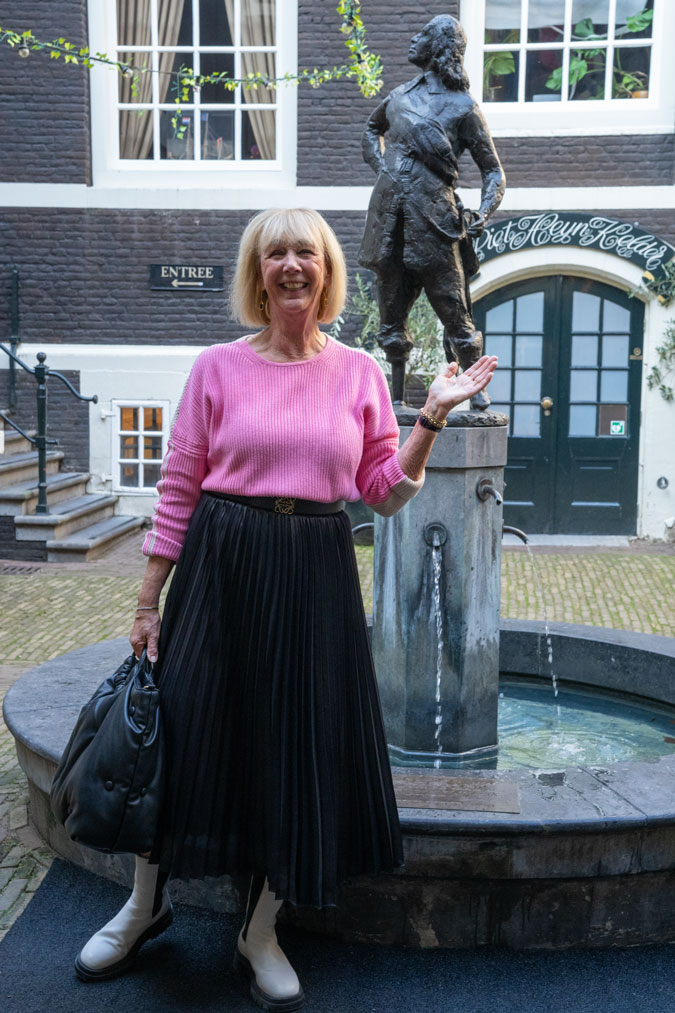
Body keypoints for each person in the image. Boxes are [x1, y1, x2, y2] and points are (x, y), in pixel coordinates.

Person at [74, 208, 497, 1010]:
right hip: (221, 560)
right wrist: (147, 598)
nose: (292, 264)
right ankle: (142, 903)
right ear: (257, 274)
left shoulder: (360, 375)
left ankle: (258, 928)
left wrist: (431, 416)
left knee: (295, 742)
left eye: (307, 251)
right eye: (276, 254)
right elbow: (178, 487)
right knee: (186, 726)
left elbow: (384, 491)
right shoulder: (216, 369)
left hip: (314, 567)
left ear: (327, 269)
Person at [359, 14, 505, 405]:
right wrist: (384, 170)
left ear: (440, 45)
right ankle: (394, 398)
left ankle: (477, 395)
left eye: (423, 34)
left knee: (456, 313)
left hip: (435, 222)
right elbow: (370, 130)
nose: (413, 38)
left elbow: (493, 172)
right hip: (390, 220)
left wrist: (483, 213)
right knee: (390, 315)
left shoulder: (462, 107)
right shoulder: (399, 96)